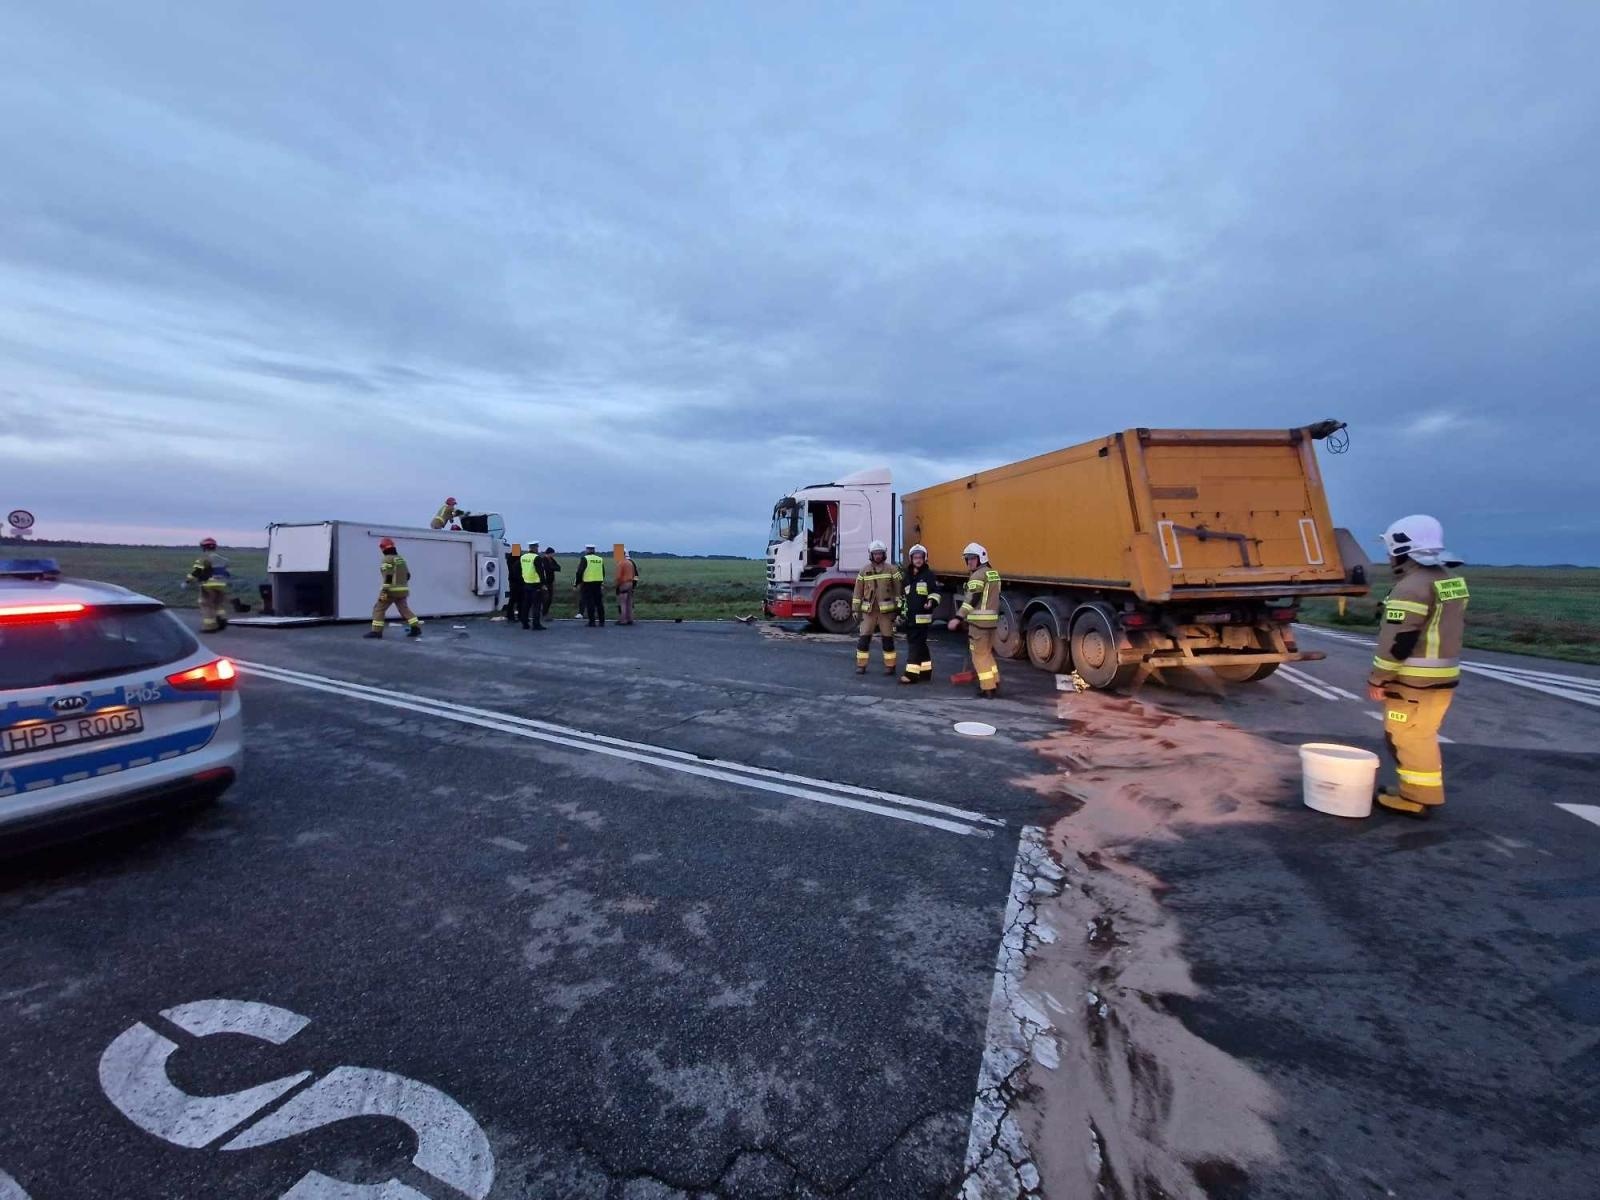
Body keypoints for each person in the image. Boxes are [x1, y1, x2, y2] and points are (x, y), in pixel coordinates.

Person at [1366, 514, 1468, 818]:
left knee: (1407, 738)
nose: (1388, 557)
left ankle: (1415, 798)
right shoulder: (1450, 580)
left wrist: (1379, 678)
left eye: (1389, 550)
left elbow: (1398, 640)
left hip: (1413, 682)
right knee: (1421, 735)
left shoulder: (1410, 588)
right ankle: (1417, 792)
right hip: (1442, 677)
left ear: (1401, 548)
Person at [949, 543, 1002, 698]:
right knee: (987, 654)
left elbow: (971, 599)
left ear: (981, 558)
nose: (970, 562)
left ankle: (987, 688)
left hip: (979, 624)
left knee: (979, 657)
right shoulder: (993, 573)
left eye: (973, 558)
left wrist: (958, 617)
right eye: (968, 559)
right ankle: (995, 681)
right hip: (991, 623)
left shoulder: (977, 576)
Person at [851, 540, 902, 675]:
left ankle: (890, 666)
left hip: (887, 613)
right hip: (869, 612)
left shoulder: (892, 570)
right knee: (864, 639)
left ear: (884, 554)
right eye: (875, 554)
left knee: (888, 640)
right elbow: (857, 592)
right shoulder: (864, 571)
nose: (878, 556)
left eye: (880, 553)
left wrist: (898, 610)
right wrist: (855, 609)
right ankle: (861, 665)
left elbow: (898, 591)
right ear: (871, 555)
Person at [364, 537, 422, 638]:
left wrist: (385, 590)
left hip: (389, 591)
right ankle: (416, 628)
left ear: (383, 548)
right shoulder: (400, 559)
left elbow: (388, 575)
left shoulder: (387, 559)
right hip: (403, 591)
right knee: (404, 609)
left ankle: (376, 632)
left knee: (379, 608)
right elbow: (408, 575)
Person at [899, 543, 940, 684]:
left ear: (924, 558)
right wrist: (900, 612)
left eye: (920, 557)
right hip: (910, 616)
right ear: (911, 559)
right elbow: (903, 596)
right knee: (920, 644)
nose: (918, 560)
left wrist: (931, 601)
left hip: (922, 617)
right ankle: (925, 672)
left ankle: (911, 674)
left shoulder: (928, 575)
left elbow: (935, 592)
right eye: (915, 557)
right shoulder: (907, 576)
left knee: (915, 644)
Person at [185, 537, 232, 634]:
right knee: (218, 604)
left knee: (206, 605)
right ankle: (221, 620)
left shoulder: (203, 559)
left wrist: (188, 581)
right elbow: (227, 573)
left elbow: (197, 572)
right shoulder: (223, 559)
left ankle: (209, 626)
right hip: (221, 585)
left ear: (204, 547)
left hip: (208, 585)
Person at [576, 544, 607, 626]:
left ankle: (592, 622)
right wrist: (601, 581)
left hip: (587, 583)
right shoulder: (600, 559)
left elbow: (580, 571)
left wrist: (577, 583)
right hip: (598, 583)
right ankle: (602, 621)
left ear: (587, 550)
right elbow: (603, 572)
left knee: (590, 603)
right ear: (594, 550)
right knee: (599, 603)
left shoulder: (585, 558)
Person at [517, 541, 545, 630]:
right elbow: (540, 572)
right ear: (535, 548)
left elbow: (519, 569)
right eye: (537, 547)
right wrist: (543, 584)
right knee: (536, 605)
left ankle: (524, 623)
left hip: (526, 584)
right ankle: (536, 624)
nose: (538, 549)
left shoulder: (523, 557)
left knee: (526, 604)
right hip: (535, 585)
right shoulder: (536, 558)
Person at [616, 548, 640, 625]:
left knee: (622, 603)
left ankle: (623, 620)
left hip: (624, 583)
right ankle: (630, 619)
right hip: (630, 583)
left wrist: (617, 585)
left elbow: (618, 577)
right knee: (629, 602)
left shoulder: (621, 563)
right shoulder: (630, 563)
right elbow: (635, 575)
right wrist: (634, 584)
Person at [539, 546, 560, 618]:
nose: (553, 555)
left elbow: (558, 567)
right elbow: (546, 569)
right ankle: (544, 613)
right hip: (545, 582)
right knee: (546, 599)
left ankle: (545, 612)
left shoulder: (552, 560)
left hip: (550, 582)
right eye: (553, 554)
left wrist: (551, 568)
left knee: (550, 599)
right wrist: (552, 568)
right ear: (549, 553)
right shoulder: (543, 560)